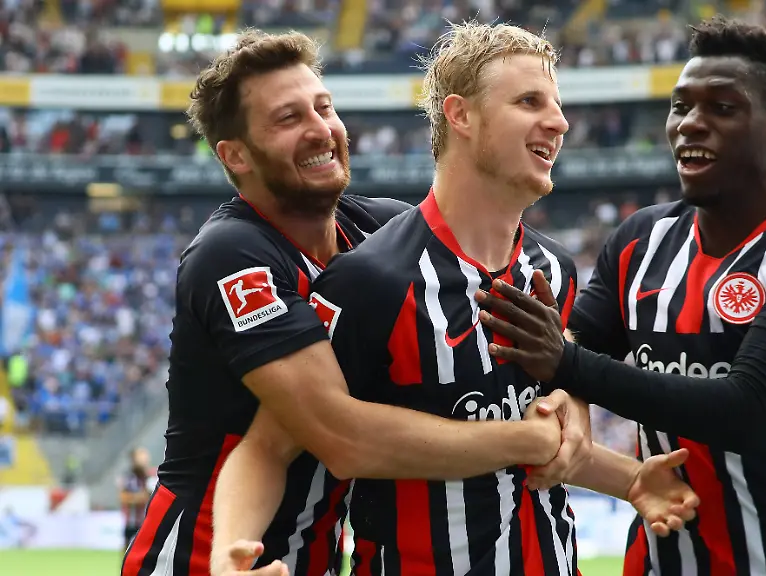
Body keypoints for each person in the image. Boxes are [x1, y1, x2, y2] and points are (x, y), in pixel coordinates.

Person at [211, 21, 700, 576]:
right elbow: (271, 445)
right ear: (460, 115)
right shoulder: (371, 280)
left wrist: (631, 479)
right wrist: (232, 551)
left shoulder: (554, 270)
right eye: (529, 101)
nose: (560, 122)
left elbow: (544, 444)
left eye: (557, 104)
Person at [123, 29, 586, 576]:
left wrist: (583, 421)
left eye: (324, 108)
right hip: (209, 557)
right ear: (236, 155)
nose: (321, 129)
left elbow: (481, 392)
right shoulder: (231, 255)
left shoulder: (381, 230)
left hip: (313, 557)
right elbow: (338, 433)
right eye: (288, 118)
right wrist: (530, 439)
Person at [477, 16, 766, 576]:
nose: (691, 124)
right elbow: (573, 346)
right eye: (680, 107)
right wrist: (567, 394)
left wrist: (567, 365)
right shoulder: (640, 239)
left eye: (722, 108)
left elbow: (745, 410)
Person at [119, 447, 155, 554]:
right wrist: (140, 497)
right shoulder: (128, 478)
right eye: (141, 456)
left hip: (147, 522)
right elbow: (123, 497)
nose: (144, 459)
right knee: (127, 553)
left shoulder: (152, 476)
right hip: (131, 523)